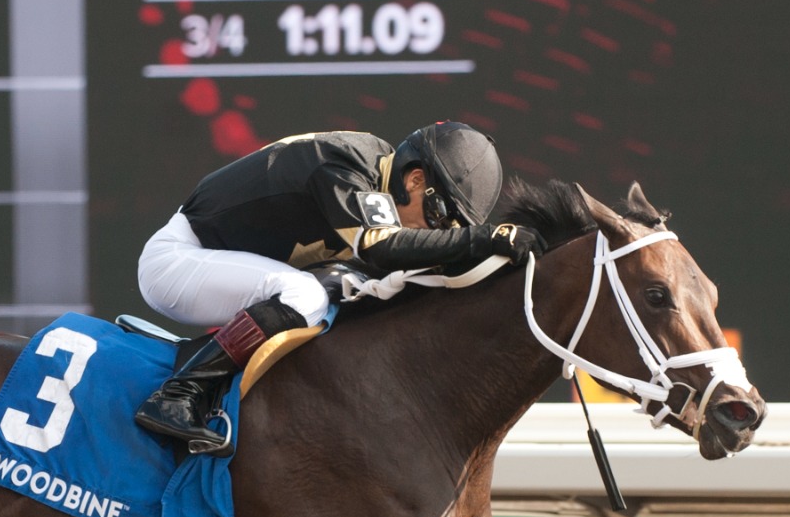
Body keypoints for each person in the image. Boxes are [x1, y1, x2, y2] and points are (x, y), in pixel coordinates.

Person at [133, 122, 544, 454]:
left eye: (445, 230)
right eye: (437, 215)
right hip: (176, 261)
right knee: (306, 295)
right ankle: (179, 394)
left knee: (345, 287)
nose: (430, 231)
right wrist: (485, 238)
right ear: (415, 180)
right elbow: (382, 248)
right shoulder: (344, 163)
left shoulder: (375, 175)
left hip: (218, 264)